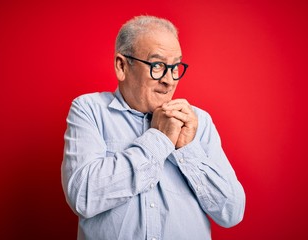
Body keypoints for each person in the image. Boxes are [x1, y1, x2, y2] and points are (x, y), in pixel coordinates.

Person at [61, 15, 245, 240]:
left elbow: (231, 212)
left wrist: (188, 150)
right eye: (157, 65)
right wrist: (159, 138)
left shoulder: (199, 121)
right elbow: (83, 197)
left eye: (175, 67)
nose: (170, 80)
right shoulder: (89, 110)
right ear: (122, 66)